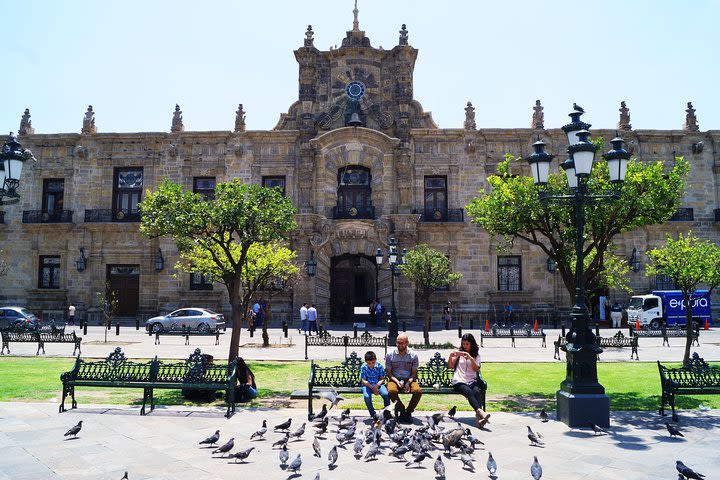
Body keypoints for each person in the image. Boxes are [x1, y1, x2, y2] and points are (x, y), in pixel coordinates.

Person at [448, 333, 490, 428]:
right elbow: (450, 366)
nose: (465, 346)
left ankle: (479, 419)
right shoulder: (459, 354)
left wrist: (470, 358)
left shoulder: (476, 356)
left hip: (471, 380)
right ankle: (480, 412)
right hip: (459, 381)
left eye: (467, 344)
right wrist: (451, 356)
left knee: (477, 392)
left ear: (472, 344)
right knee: (469, 392)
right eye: (463, 344)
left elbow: (476, 369)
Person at [385, 333, 422, 424]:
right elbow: (389, 373)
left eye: (403, 343)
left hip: (409, 378)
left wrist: (408, 382)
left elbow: (414, 373)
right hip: (394, 378)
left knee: (418, 391)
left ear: (407, 343)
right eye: (398, 342)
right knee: (391, 391)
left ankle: (409, 412)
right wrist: (397, 381)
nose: (401, 345)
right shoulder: (390, 354)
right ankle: (402, 410)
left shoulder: (413, 355)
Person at [360, 350, 390, 419]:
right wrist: (372, 388)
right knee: (367, 397)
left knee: (385, 394)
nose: (371, 365)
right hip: (367, 385)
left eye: (373, 362)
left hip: (378, 384)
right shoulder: (363, 367)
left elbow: (382, 379)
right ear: (365, 361)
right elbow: (364, 381)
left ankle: (387, 413)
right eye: (369, 363)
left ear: (376, 360)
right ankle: (373, 414)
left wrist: (376, 386)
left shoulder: (379, 366)